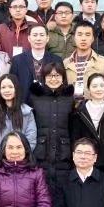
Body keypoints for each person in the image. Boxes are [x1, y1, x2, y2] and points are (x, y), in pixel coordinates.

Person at [69, 73, 104, 186]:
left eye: (102, 85)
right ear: (88, 89)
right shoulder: (80, 111)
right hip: (86, 162)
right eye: (94, 86)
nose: (99, 89)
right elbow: (75, 138)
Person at [30, 63, 74, 193]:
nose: (53, 79)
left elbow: (72, 128)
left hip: (64, 155)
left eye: (57, 75)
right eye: (49, 75)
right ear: (43, 78)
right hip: (40, 154)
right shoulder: (35, 98)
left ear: (63, 77)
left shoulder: (69, 99)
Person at [0, 74, 37, 161]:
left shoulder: (27, 112)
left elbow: (31, 140)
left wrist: (19, 157)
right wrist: (1, 160)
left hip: (22, 162)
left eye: (10, 87)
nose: (7, 90)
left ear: (16, 89)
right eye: (3, 87)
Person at [9, 23, 60, 104]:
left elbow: (62, 85)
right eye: (35, 35)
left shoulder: (56, 59)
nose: (38, 39)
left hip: (50, 105)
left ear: (47, 38)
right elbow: (12, 85)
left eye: (42, 35)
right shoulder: (17, 60)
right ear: (29, 38)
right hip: (24, 105)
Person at [64, 21, 104, 99]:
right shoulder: (66, 63)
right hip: (71, 105)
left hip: (95, 104)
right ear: (74, 38)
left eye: (87, 35)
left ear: (93, 38)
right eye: (80, 34)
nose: (83, 39)